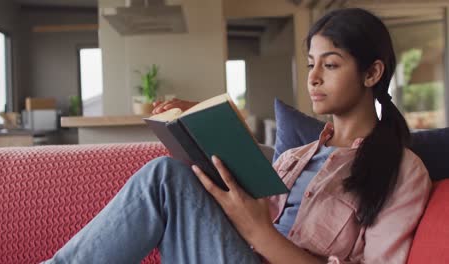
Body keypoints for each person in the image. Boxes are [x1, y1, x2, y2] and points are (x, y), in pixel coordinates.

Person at [42, 8, 431, 264]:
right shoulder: (295, 156)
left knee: (166, 178)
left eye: (330, 65)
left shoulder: (402, 170)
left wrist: (260, 232)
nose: (313, 77)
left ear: (372, 73)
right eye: (311, 64)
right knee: (175, 175)